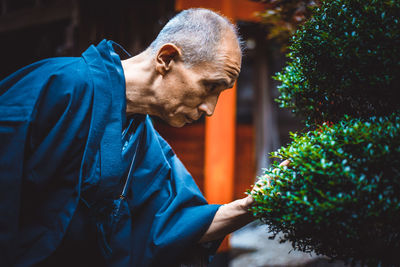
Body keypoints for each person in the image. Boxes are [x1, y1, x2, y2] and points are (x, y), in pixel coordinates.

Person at [0, 8, 255, 267]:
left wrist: (251, 206)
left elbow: (177, 226)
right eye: (210, 87)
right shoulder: (58, 85)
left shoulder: (146, 142)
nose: (209, 109)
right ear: (166, 58)